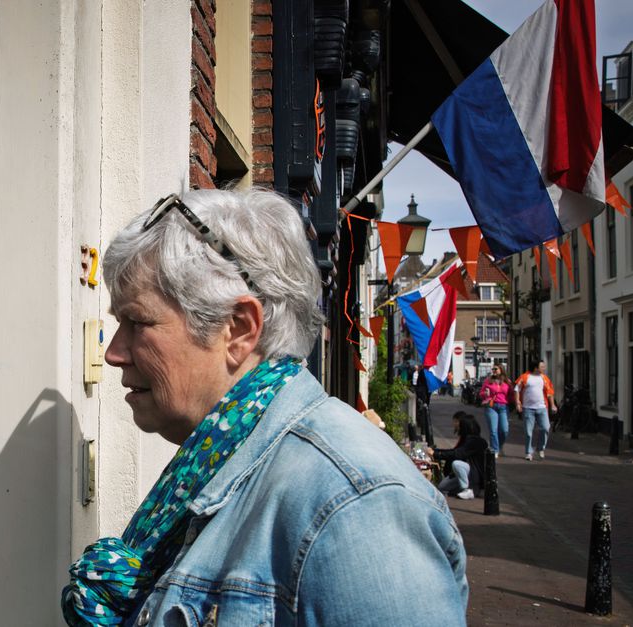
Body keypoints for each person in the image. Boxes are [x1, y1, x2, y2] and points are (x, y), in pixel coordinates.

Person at [62, 189, 467, 626]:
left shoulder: (356, 509)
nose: (114, 352)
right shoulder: (218, 458)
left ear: (237, 329)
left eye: (136, 322)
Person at [431, 412, 488, 500]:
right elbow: (454, 451)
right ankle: (460, 489)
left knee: (457, 464)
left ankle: (468, 489)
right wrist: (436, 451)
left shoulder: (475, 441)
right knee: (442, 487)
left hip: (473, 474)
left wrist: (436, 454)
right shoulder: (466, 439)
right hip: (462, 473)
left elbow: (457, 453)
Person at [514, 359, 557, 461]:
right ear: (535, 368)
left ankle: (540, 448)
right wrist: (518, 402)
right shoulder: (525, 377)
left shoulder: (544, 378)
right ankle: (529, 452)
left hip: (542, 408)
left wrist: (552, 405)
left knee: (546, 428)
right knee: (528, 432)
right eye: (542, 366)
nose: (544, 368)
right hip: (528, 408)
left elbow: (549, 392)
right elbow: (517, 389)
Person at [479, 364, 511, 456]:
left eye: (496, 369)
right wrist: (485, 393)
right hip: (491, 406)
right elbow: (481, 393)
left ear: (501, 369)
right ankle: (495, 449)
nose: (494, 370)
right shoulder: (488, 381)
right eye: (493, 369)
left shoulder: (507, 381)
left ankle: (499, 445)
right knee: (493, 430)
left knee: (504, 430)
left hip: (503, 407)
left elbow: (511, 394)